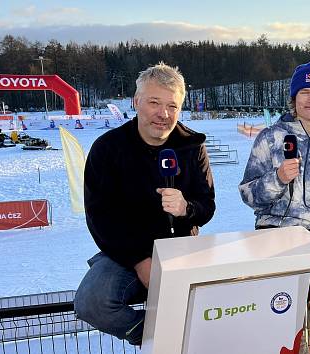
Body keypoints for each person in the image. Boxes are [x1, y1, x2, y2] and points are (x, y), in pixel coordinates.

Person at [74, 62, 215, 346]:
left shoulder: (191, 146)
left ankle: (192, 338)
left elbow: (207, 205)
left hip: (179, 248)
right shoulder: (108, 148)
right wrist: (140, 259)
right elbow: (100, 216)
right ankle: (159, 339)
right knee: (92, 302)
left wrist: (186, 208)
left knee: (213, 300)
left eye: (172, 106)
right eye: (154, 102)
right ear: (136, 102)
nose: (163, 114)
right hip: (125, 250)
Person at [238, 62, 310, 339]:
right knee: (272, 323)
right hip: (271, 239)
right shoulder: (270, 139)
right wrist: (277, 178)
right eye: (304, 92)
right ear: (294, 99)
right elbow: (248, 194)